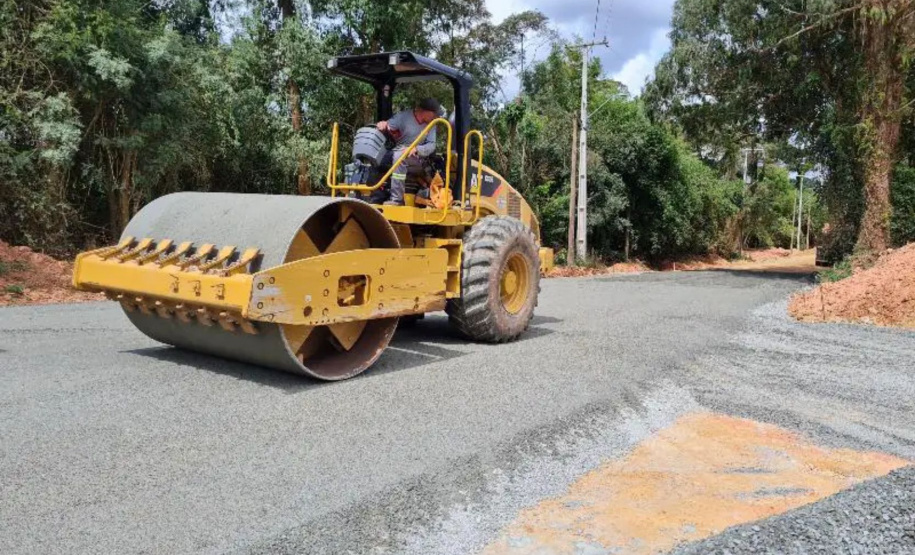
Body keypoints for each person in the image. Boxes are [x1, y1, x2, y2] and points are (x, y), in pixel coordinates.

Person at [375, 98, 443, 206]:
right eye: (434, 114)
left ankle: (397, 199)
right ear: (425, 111)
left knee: (400, 156)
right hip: (398, 151)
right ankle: (374, 195)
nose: (436, 117)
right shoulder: (403, 117)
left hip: (418, 158)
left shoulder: (432, 125)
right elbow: (388, 125)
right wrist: (383, 125)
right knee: (377, 158)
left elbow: (431, 145)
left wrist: (417, 149)